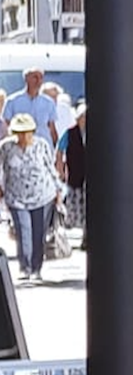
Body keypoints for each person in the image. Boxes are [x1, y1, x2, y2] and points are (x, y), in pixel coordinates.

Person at [0, 113, 61, 285]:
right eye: (19, 132)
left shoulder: (41, 145)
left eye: (26, 132)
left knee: (38, 233)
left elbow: (49, 167)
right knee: (23, 231)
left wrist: (58, 190)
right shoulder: (5, 147)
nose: (23, 136)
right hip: (16, 197)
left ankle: (36, 268)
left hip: (42, 196)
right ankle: (25, 267)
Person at [56, 103, 86, 250]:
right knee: (75, 205)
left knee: (89, 207)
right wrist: (60, 169)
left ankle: (86, 236)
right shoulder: (70, 132)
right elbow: (60, 150)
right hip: (75, 174)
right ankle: (77, 229)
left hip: (90, 175)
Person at [3, 67, 58, 146]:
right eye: (35, 77)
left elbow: (52, 128)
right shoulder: (12, 101)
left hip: (43, 148)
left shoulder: (49, 103)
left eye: (41, 78)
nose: (38, 81)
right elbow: (6, 126)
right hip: (20, 148)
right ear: (26, 79)